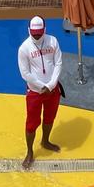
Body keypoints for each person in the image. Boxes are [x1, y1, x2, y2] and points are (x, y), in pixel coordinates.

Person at [18, 15, 63, 169]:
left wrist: (50, 86)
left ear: (45, 30)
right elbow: (25, 73)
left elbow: (58, 63)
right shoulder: (24, 48)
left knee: (50, 117)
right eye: (34, 33)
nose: (37, 36)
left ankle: (45, 141)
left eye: (39, 33)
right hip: (35, 92)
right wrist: (41, 86)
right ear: (29, 30)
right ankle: (30, 152)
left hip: (52, 90)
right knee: (31, 123)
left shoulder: (53, 41)